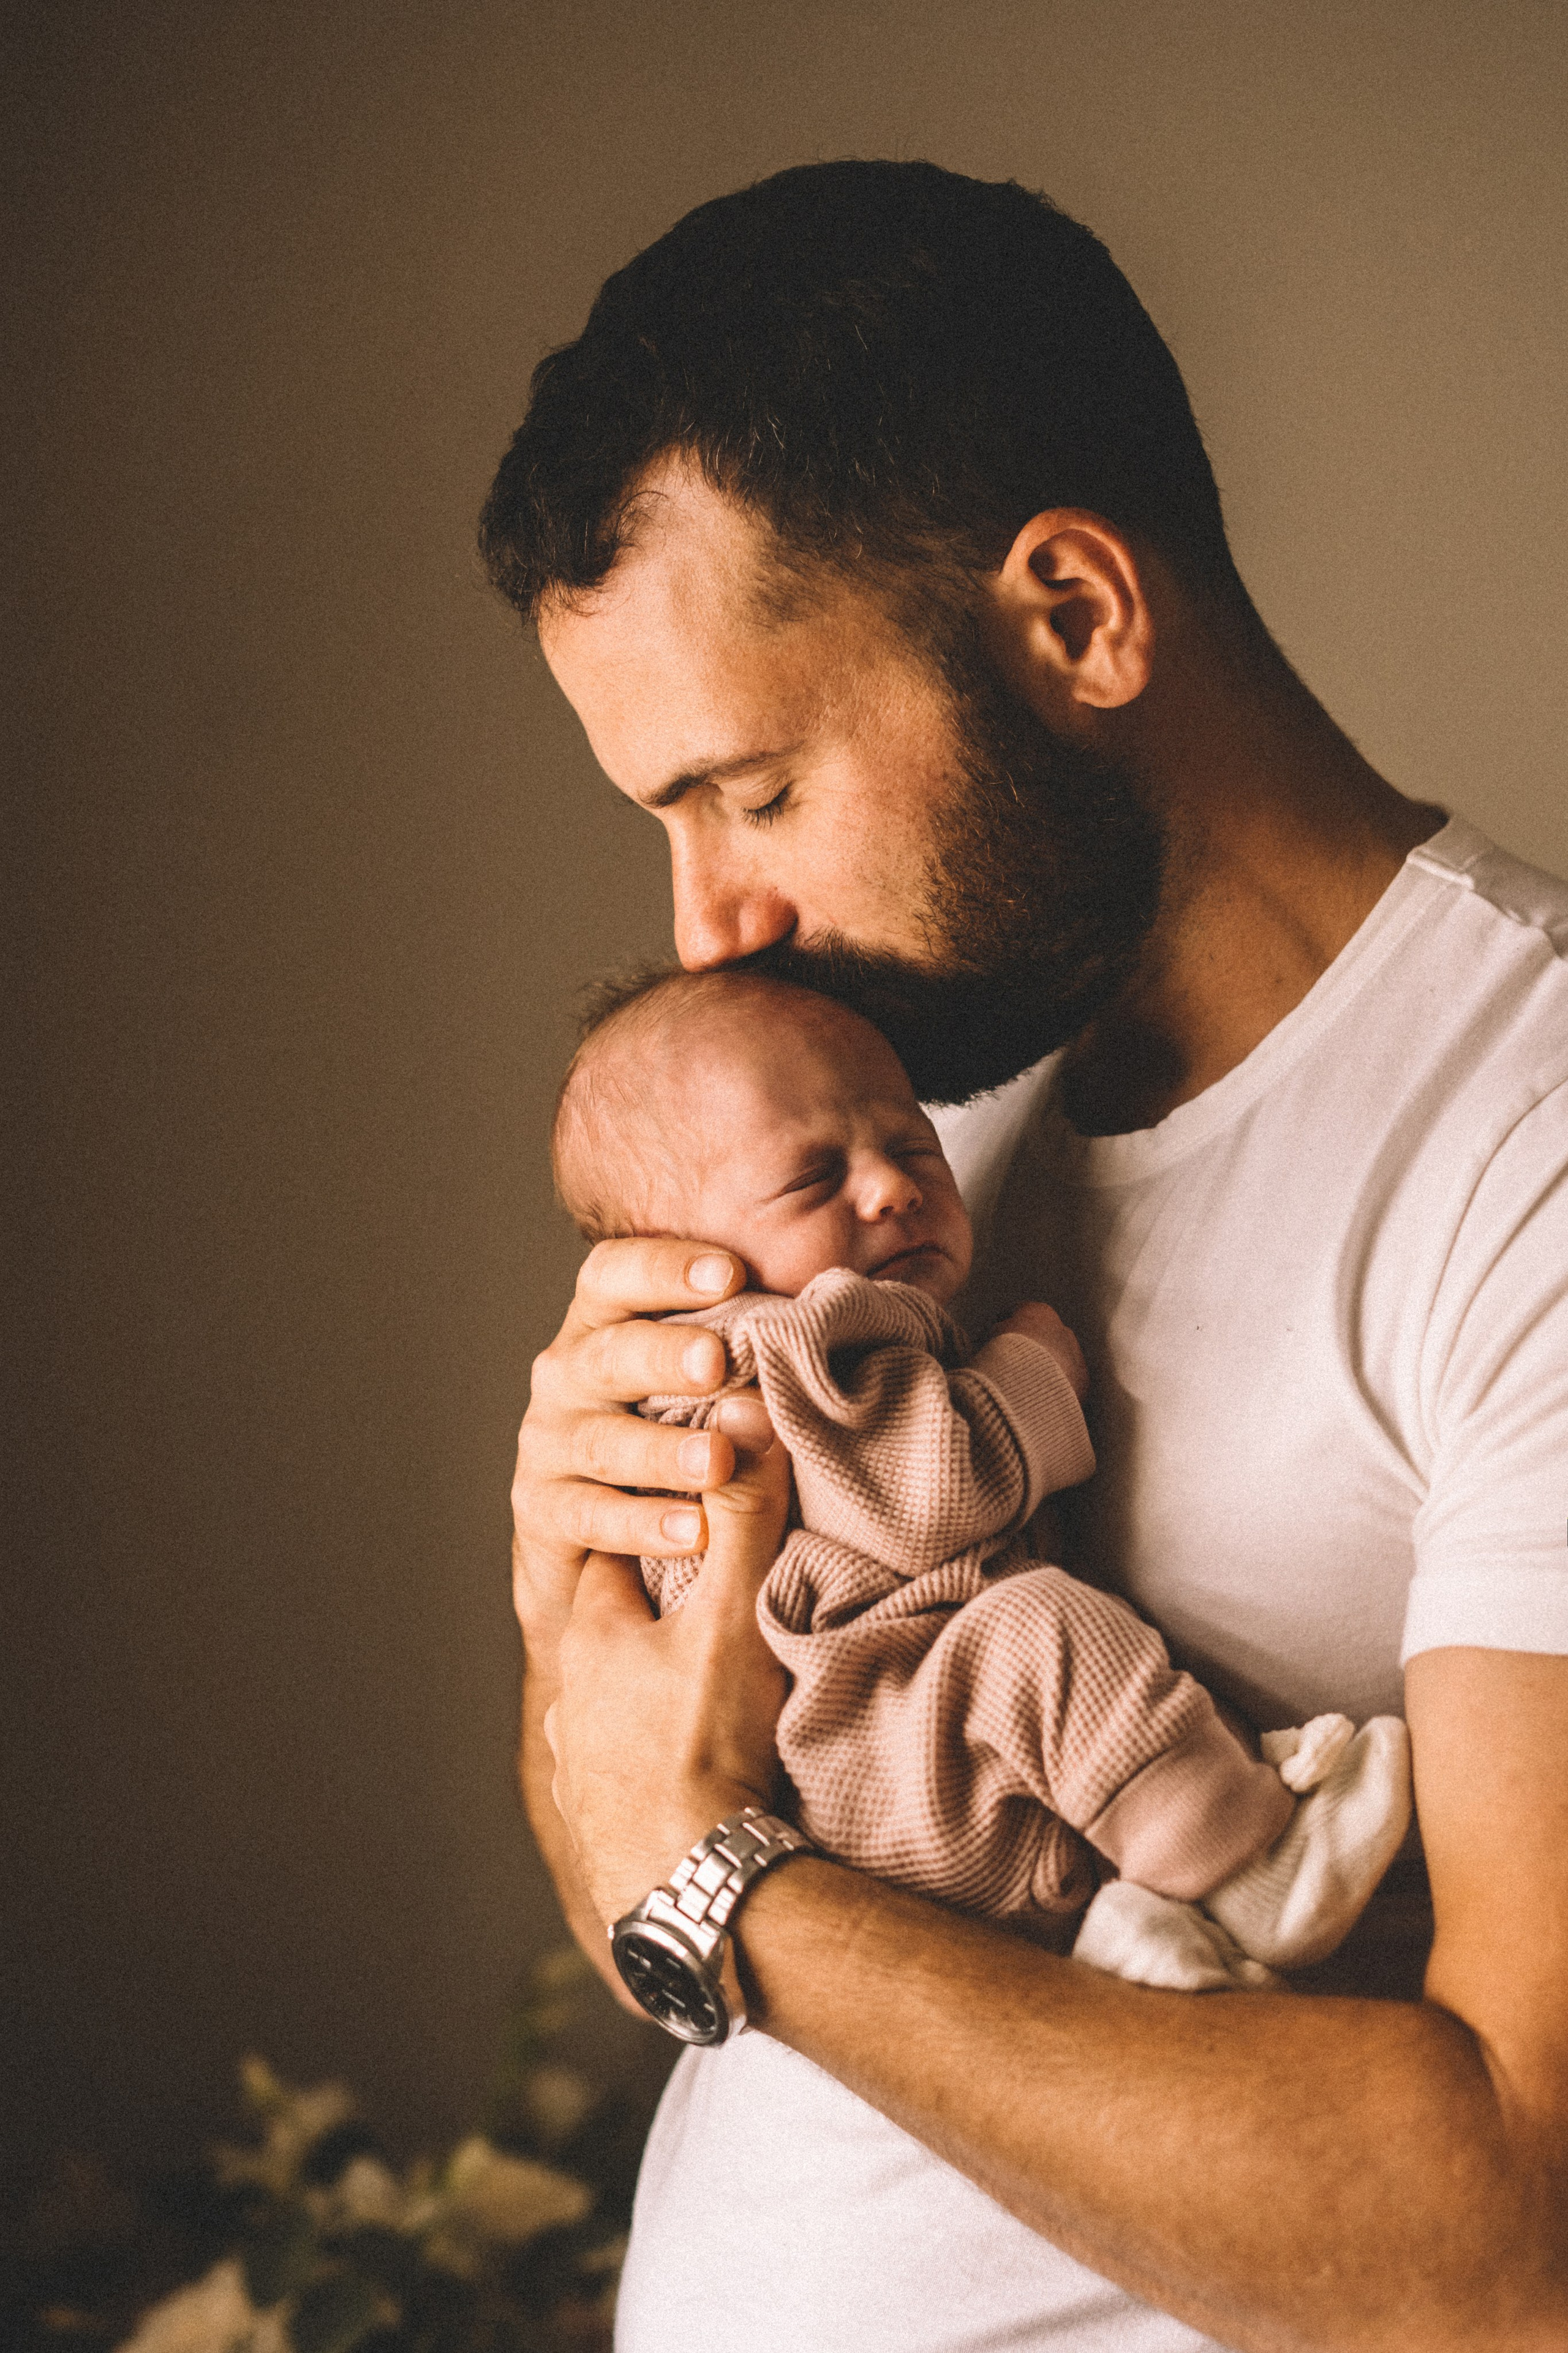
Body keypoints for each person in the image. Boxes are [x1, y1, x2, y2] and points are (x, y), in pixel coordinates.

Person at [481, 161, 1568, 2352]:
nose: (710, 930)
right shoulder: (902, 1121)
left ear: (1076, 618)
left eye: (753, 792)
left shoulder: (1525, 1143)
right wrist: (585, 1605)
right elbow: (632, 1817)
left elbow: (1514, 2235)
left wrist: (715, 1884)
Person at [552, 962, 1412, 1983]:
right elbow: (925, 1496)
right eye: (814, 1179)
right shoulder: (782, 1347)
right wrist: (1032, 1373)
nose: (893, 1186)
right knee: (1038, 1632)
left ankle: (1147, 1928)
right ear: (678, 1255)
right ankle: (1253, 1865)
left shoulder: (729, 1361)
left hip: (884, 1786)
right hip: (881, 1746)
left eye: (912, 1143)